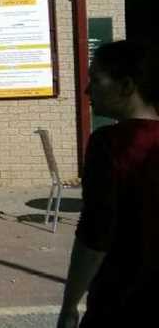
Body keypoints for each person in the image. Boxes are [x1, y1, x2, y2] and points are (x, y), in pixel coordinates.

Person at [57, 40, 159, 328]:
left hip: (122, 301)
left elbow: (95, 235)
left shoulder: (109, 144)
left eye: (96, 79)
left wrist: (69, 306)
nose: (88, 90)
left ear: (127, 86)